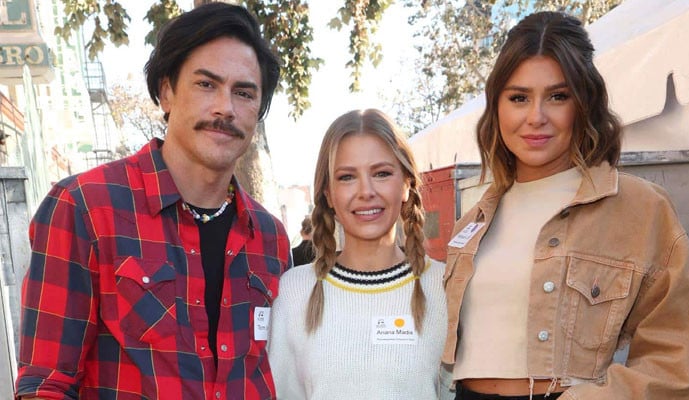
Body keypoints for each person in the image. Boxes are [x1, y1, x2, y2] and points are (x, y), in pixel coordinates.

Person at [15, 3, 290, 399]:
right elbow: (46, 384)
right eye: (206, 84)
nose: (225, 108)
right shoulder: (85, 208)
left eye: (244, 93)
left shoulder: (269, 238)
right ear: (166, 92)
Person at [442, 11, 689, 400]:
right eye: (518, 98)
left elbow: (682, 354)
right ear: (496, 107)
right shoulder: (472, 222)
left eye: (558, 97)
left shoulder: (640, 208)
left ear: (584, 103)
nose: (536, 117)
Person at [268, 109, 448, 399]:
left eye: (381, 173)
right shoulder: (294, 291)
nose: (366, 191)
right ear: (328, 193)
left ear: (406, 184)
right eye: (347, 177)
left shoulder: (444, 287)